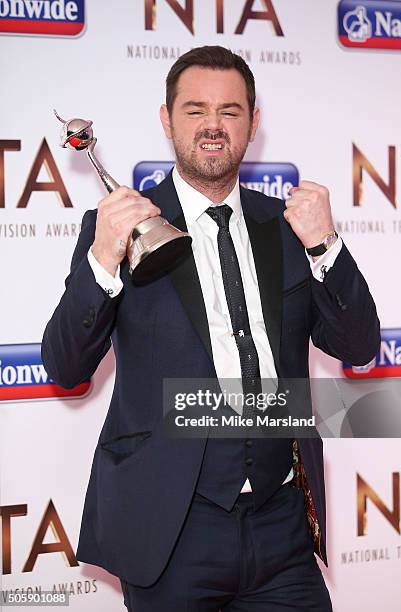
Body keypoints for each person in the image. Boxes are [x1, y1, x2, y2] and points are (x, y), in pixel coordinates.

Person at [42, 45, 380, 611]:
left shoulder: (288, 226)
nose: (213, 127)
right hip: (171, 531)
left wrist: (327, 245)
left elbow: (359, 347)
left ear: (254, 122)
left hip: (283, 527)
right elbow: (65, 366)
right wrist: (103, 256)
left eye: (230, 111)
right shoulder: (125, 226)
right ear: (166, 119)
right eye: (195, 110)